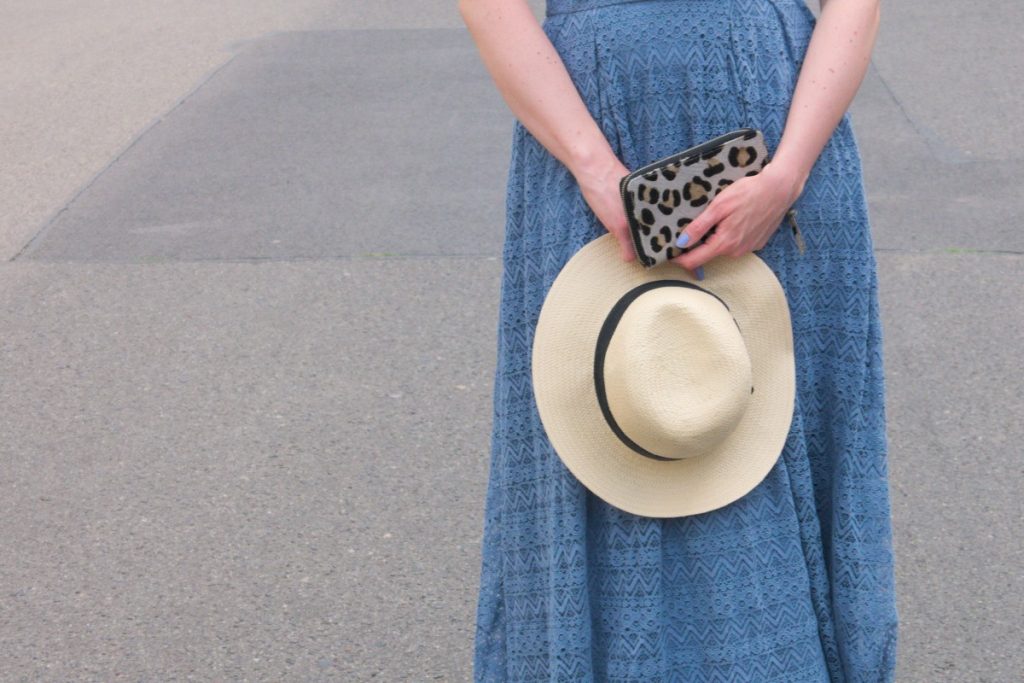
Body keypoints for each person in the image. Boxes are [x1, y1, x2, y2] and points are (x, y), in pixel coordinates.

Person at [459, 0, 899, 680]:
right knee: (614, 407)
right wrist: (595, 167)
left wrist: (788, 172)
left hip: (778, 136)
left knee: (766, 417)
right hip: (591, 142)